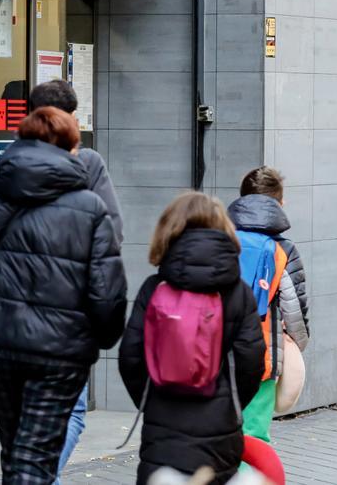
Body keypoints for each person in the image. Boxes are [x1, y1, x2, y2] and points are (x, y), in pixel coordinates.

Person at [0, 107, 126, 483]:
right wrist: (100, 338)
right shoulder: (90, 207)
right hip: (61, 353)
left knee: (15, 453)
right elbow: (107, 292)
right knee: (34, 459)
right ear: (72, 147)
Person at [119, 192, 266, 484]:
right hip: (220, 433)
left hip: (163, 434)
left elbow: (130, 358)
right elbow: (251, 361)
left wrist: (152, 402)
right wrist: (230, 404)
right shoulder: (238, 294)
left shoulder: (154, 288)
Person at [25, 80, 124, 483]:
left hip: (8, 316)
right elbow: (112, 236)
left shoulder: (8, 165)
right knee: (71, 413)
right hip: (65, 316)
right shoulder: (88, 165)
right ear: (73, 119)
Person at [226, 167, 311, 442]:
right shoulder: (282, 249)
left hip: (214, 355)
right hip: (261, 358)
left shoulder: (218, 241)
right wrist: (298, 345)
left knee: (216, 435)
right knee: (253, 437)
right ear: (280, 203)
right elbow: (294, 310)